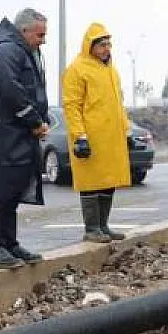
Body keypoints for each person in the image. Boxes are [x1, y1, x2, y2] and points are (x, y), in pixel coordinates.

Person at [0, 8, 50, 269]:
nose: (43, 40)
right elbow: (11, 90)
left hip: (17, 138)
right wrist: (35, 121)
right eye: (40, 35)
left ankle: (10, 243)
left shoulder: (26, 53)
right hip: (0, 139)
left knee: (12, 193)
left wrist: (41, 120)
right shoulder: (6, 53)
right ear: (24, 31)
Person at [62, 22, 134, 243]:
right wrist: (79, 136)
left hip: (111, 137)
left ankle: (103, 226)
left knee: (108, 181)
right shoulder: (77, 69)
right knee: (91, 183)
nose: (106, 49)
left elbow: (118, 103)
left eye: (108, 44)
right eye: (101, 45)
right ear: (90, 46)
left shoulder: (110, 69)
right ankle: (91, 228)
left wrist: (126, 130)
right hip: (91, 137)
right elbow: (71, 105)